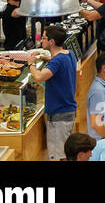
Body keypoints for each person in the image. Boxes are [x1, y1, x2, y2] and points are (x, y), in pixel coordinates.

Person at [28, 24, 77, 160]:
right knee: (65, 153)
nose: (40, 41)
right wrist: (44, 58)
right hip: (68, 112)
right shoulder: (68, 54)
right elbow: (56, 62)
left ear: (52, 42)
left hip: (58, 116)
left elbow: (38, 77)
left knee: (59, 157)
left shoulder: (57, 61)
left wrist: (31, 63)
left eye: (43, 38)